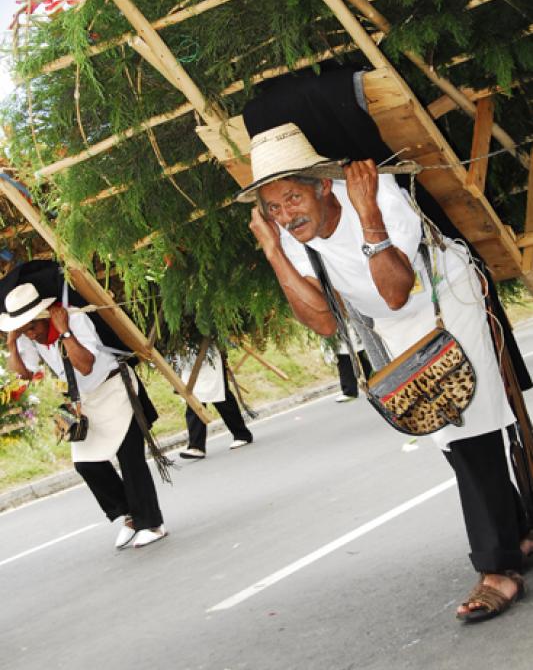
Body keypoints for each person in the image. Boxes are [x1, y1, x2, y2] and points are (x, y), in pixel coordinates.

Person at [237, 121, 533, 624]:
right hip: (394, 325)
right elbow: (325, 321)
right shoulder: (288, 236)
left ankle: (497, 568)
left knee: (468, 427)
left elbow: (397, 288)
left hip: (446, 298)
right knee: (447, 435)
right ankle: (517, 531)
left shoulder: (379, 196)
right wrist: (273, 253)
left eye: (291, 199)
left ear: (320, 185)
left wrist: (368, 211)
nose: (285, 215)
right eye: (272, 208)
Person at [2, 282, 166, 550]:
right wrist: (12, 341)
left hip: (115, 390)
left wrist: (65, 332)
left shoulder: (75, 317)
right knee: (86, 464)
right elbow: (24, 375)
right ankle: (129, 515)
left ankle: (151, 523)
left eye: (32, 326)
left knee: (130, 459)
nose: (30, 334)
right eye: (24, 328)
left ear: (44, 315)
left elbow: (86, 365)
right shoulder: (27, 336)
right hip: (86, 402)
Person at [173, 344, 253, 459]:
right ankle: (196, 447)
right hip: (187, 358)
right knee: (193, 400)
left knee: (221, 397)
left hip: (210, 353)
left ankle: (242, 434)